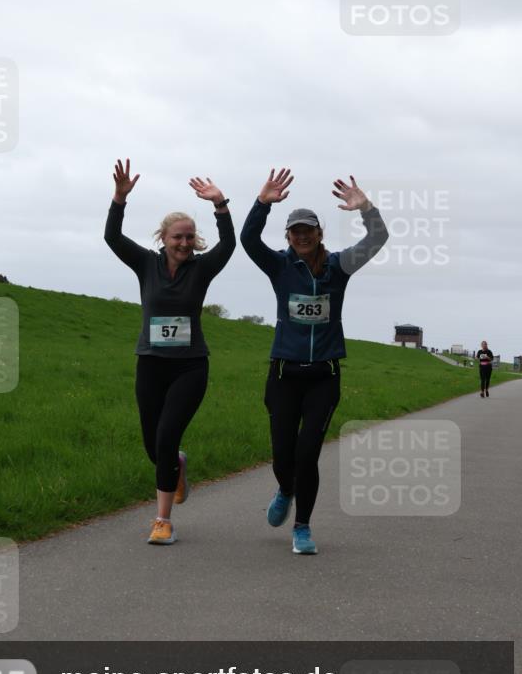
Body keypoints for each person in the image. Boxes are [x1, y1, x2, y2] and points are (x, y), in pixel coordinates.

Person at [240, 169, 389, 555]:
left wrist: (366, 208)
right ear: (288, 236)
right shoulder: (279, 267)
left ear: (320, 233)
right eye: (295, 231)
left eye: (309, 230)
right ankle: (285, 488)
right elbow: (247, 240)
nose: (302, 236)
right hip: (284, 374)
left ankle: (302, 527)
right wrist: (262, 204)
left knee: (308, 455)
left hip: (324, 376)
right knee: (282, 455)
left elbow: (379, 238)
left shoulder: (339, 267)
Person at [105, 158, 235, 544]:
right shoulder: (146, 264)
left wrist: (220, 204)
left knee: (165, 436)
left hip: (190, 366)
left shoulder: (203, 269)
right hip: (151, 363)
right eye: (177, 236)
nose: (183, 242)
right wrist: (119, 199)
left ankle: (162, 521)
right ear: (163, 237)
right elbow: (113, 238)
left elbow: (228, 244)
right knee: (153, 444)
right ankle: (175, 464)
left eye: (189, 237)